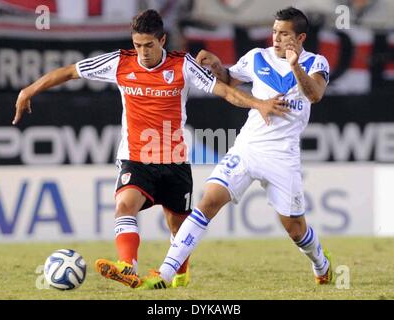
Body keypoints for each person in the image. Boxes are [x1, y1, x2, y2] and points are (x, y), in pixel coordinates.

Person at [12, 9, 289, 289]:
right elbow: (70, 71)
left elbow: (226, 91)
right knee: (124, 205)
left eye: (149, 45)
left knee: (178, 227)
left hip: (174, 160)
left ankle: (180, 271)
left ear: (162, 40)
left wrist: (260, 104)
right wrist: (28, 91)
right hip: (135, 158)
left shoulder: (183, 66)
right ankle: (127, 266)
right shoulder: (120, 63)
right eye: (137, 45)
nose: (143, 52)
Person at [138, 6, 332, 289]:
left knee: (295, 229)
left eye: (284, 34)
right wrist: (217, 67)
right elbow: (228, 80)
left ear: (300, 38)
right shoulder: (257, 57)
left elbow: (314, 95)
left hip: (282, 156)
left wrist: (294, 65)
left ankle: (320, 263)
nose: (276, 38)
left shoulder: (316, 63)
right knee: (207, 203)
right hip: (247, 147)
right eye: (275, 31)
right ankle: (165, 273)